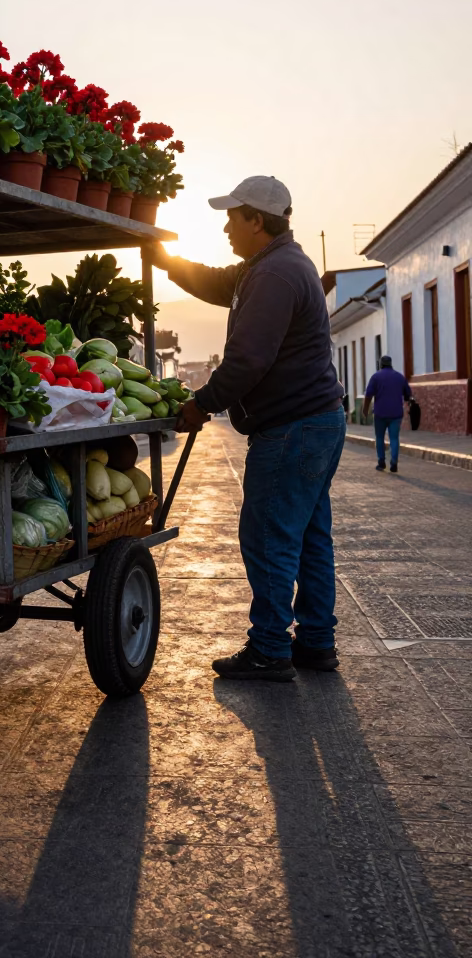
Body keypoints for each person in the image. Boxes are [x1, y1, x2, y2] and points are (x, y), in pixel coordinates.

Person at [146, 175, 346, 682]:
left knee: (269, 537)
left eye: (233, 217)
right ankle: (316, 643)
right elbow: (217, 283)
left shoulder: (275, 275)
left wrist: (201, 405)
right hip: (317, 423)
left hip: (292, 429)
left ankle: (269, 649)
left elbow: (246, 361)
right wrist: (169, 264)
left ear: (257, 220)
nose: (226, 227)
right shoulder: (270, 266)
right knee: (309, 537)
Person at [362, 355, 411, 473]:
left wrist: (365, 410)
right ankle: (394, 462)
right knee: (394, 438)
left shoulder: (375, 377)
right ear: (391, 363)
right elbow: (408, 394)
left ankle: (381, 462)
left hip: (380, 413)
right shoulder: (399, 377)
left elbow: (368, 395)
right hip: (396, 413)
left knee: (379, 437)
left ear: (381, 364)